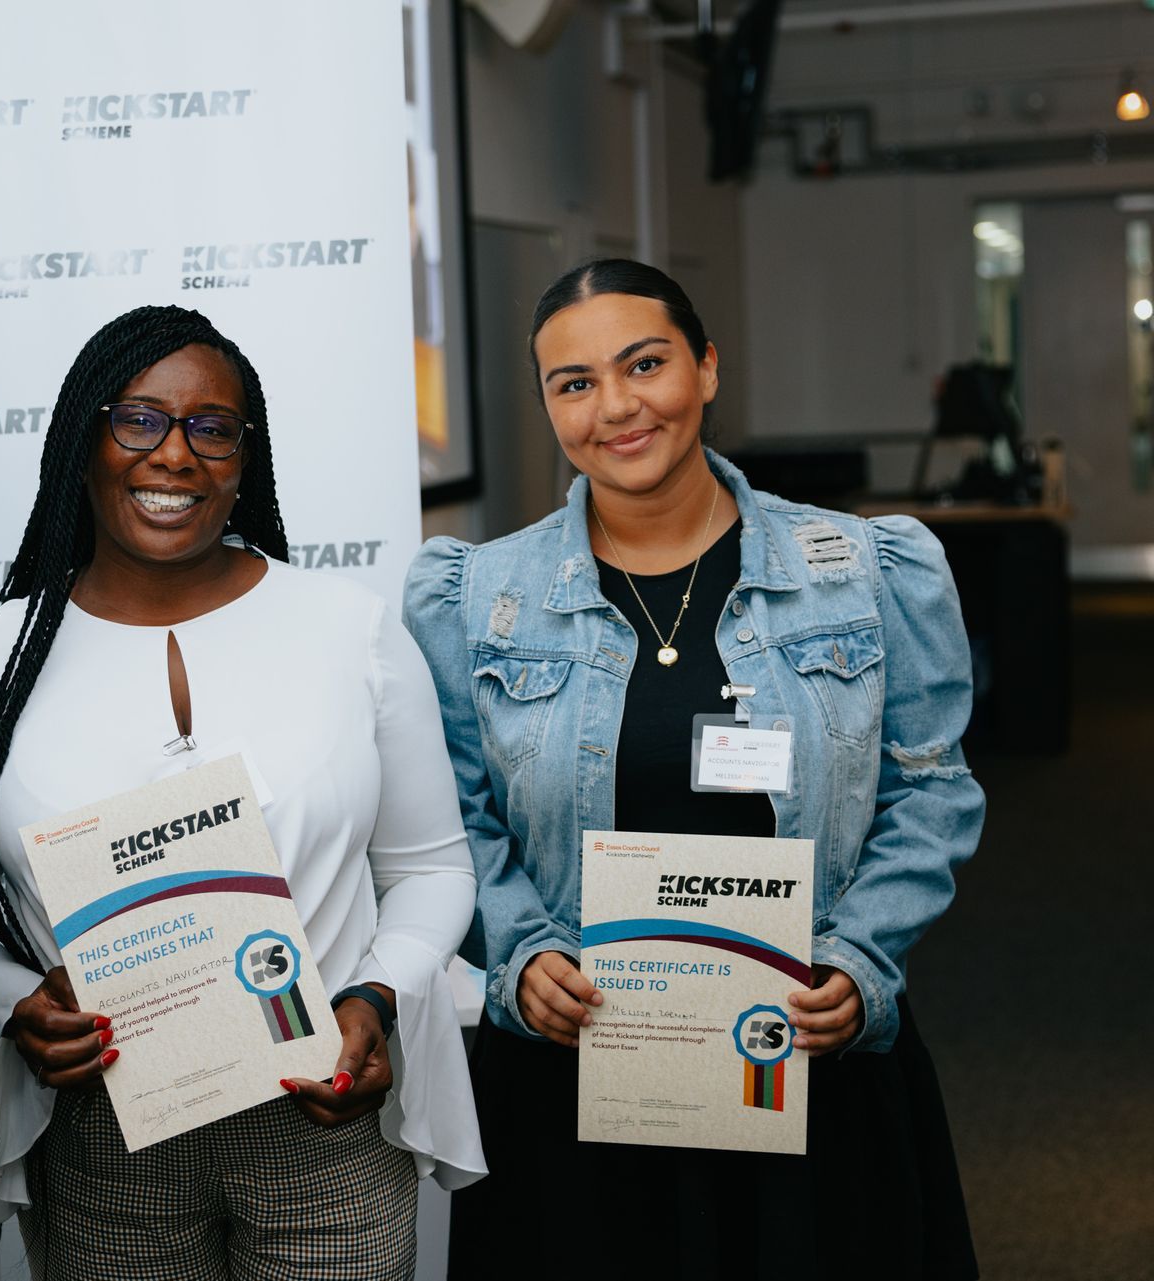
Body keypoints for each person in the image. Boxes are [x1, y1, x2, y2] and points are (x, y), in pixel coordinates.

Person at [405, 259, 982, 1279]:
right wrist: (520, 954)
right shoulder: (473, 597)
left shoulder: (862, 571)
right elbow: (452, 817)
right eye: (573, 383)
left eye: (646, 365)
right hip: (579, 1078)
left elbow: (930, 788)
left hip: (805, 1056)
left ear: (707, 369)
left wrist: (861, 961)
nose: (616, 407)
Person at [0, 304, 485, 1280]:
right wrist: (10, 999)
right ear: (81, 439)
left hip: (322, 1121)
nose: (174, 455)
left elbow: (431, 869)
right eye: (138, 420)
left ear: (243, 460)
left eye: (211, 429)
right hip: (104, 1139)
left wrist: (377, 998)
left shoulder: (349, 630)